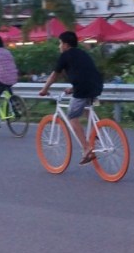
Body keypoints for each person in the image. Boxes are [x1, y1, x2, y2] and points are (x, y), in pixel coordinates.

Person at [38, 31, 105, 164]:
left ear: (66, 44)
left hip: (83, 88)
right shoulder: (83, 53)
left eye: (60, 43)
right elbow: (85, 73)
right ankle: (96, 132)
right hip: (97, 86)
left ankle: (86, 149)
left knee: (72, 117)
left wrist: (44, 90)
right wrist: (73, 88)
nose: (59, 46)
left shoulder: (65, 56)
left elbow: (54, 75)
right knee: (86, 108)